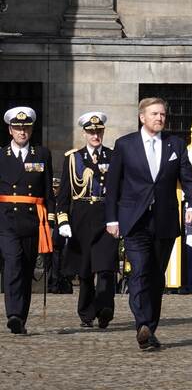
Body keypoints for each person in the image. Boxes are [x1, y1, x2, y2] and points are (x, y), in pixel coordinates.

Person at [105, 97, 192, 350]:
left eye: (163, 114)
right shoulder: (125, 145)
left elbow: (188, 179)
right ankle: (142, 324)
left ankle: (150, 328)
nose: (160, 118)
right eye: (155, 114)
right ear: (142, 117)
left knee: (157, 276)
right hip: (135, 220)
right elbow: (113, 185)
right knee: (140, 270)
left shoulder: (175, 144)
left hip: (165, 219)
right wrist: (111, 219)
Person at [55, 111, 118, 329]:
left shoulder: (113, 156)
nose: (95, 135)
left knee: (106, 266)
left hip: (106, 214)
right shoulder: (73, 158)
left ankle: (105, 308)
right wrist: (62, 221)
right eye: (91, 132)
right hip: (81, 216)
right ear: (85, 133)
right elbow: (63, 194)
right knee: (84, 269)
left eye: (99, 131)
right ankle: (86, 312)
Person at [1, 107, 54, 335]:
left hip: (33, 221)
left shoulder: (41, 154)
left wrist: (52, 219)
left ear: (31, 130)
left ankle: (20, 318)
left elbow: (47, 190)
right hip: (7, 220)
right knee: (13, 263)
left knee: (26, 268)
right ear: (10, 130)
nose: (22, 132)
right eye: (18, 128)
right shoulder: (1, 156)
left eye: (26, 128)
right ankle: (12, 313)